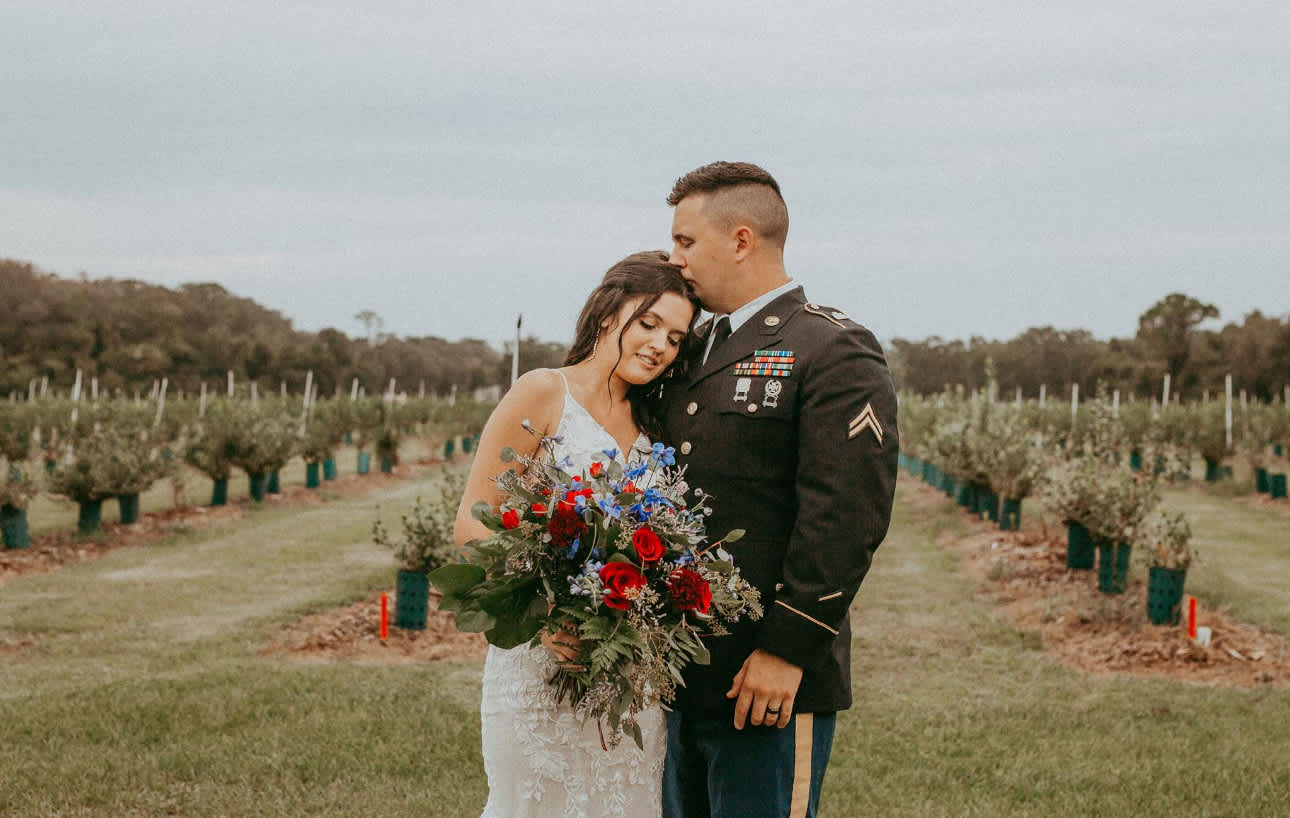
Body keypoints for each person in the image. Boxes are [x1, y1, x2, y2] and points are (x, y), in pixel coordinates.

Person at [659, 161, 899, 818]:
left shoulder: (831, 348)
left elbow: (846, 515)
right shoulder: (690, 346)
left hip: (766, 681)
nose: (674, 258)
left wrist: (786, 650)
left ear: (741, 240)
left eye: (685, 241)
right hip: (679, 674)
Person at [454, 250, 701, 818]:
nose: (660, 346)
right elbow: (472, 523)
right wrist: (545, 617)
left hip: (627, 680)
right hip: (539, 665)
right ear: (608, 312)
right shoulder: (543, 392)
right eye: (648, 323)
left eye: (675, 338)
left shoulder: (656, 420)